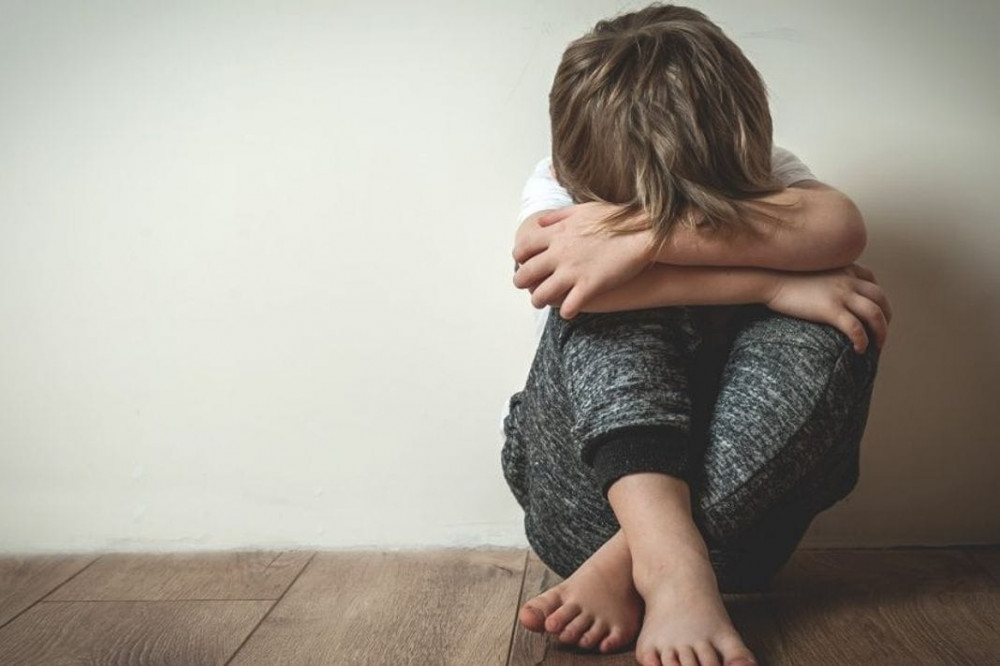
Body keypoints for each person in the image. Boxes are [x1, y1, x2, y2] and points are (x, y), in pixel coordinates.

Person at [500, 5, 892, 666]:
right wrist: (768, 283)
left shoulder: (772, 173)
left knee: (839, 311)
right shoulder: (556, 188)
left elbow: (843, 228)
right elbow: (563, 285)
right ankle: (670, 564)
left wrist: (646, 240)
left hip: (740, 534)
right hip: (577, 501)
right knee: (602, 309)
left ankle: (637, 561)